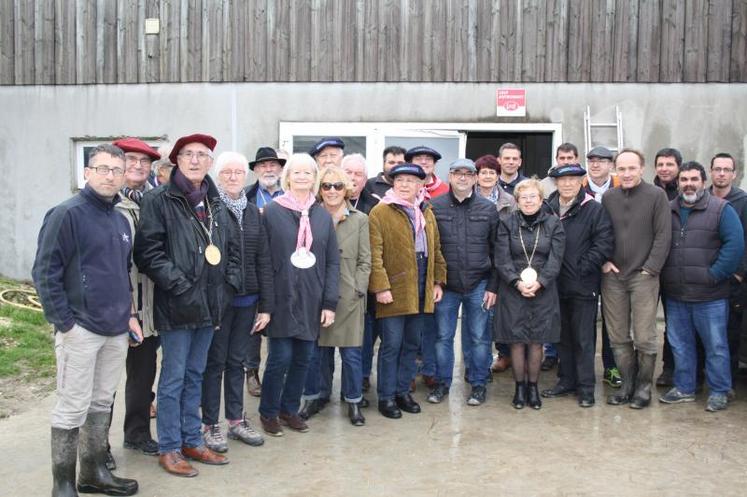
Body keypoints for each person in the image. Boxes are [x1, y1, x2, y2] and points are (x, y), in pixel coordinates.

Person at [33, 143, 140, 496]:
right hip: (80, 329)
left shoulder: (121, 218)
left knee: (101, 403)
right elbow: (45, 271)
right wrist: (64, 322)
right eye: (102, 168)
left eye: (116, 170)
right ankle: (62, 484)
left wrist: (130, 315)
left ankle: (92, 472)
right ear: (87, 172)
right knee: (71, 407)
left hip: (116, 329)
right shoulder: (67, 214)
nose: (110, 176)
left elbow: (123, 272)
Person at [135, 133, 239, 477]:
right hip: (177, 305)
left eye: (202, 155)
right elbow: (149, 252)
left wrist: (226, 288)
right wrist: (180, 285)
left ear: (210, 162)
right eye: (188, 154)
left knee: (196, 375)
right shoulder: (159, 200)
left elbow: (230, 249)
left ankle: (192, 439)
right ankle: (169, 447)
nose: (195, 160)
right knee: (173, 379)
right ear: (176, 161)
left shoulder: (216, 201)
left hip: (210, 306)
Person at [258, 153, 340, 436]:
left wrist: (329, 302)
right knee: (279, 357)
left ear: (314, 178)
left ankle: (289, 409)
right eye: (297, 172)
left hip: (311, 298)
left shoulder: (321, 215)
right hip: (281, 297)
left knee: (304, 358)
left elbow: (332, 261)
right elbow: (264, 260)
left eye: (308, 172)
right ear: (288, 177)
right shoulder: (272, 211)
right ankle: (268, 412)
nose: (303, 177)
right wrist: (265, 303)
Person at [200, 152, 272, 453]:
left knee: (237, 361)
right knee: (214, 362)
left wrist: (266, 306)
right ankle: (209, 424)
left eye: (238, 172)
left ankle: (235, 419)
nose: (232, 177)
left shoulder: (255, 213)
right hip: (220, 300)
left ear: (246, 177)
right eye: (227, 172)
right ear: (218, 176)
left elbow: (264, 260)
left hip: (248, 300)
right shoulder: (210, 210)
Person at [659, 161, 744, 412]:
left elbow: (734, 246)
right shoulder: (668, 209)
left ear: (703, 182)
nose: (688, 184)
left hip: (711, 295)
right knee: (680, 344)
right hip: (676, 294)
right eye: (684, 179)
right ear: (678, 183)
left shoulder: (721, 209)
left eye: (694, 179)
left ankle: (719, 390)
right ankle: (685, 387)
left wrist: (714, 275)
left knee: (716, 345)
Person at [368, 163, 447, 419]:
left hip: (422, 284)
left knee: (412, 344)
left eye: (411, 181)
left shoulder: (427, 210)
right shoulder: (381, 212)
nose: (404, 185)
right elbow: (374, 255)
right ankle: (387, 396)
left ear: (420, 185)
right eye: (400, 180)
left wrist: (437, 282)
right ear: (393, 183)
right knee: (391, 344)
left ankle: (403, 391)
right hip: (394, 287)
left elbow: (435, 250)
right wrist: (380, 287)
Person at [299, 167, 372, 426]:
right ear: (319, 189)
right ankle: (314, 397)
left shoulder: (360, 219)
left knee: (351, 354)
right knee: (316, 353)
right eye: (327, 186)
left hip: (349, 296)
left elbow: (365, 260)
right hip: (316, 295)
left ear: (347, 189)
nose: (332, 191)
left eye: (338, 186)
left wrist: (358, 289)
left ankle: (353, 401)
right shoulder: (309, 216)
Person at [602, 149, 671, 409]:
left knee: (644, 337)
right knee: (618, 337)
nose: (627, 173)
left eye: (632, 168)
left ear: (642, 169)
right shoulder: (609, 197)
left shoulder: (656, 196)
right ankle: (627, 386)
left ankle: (643, 389)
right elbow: (602, 233)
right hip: (613, 277)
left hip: (644, 276)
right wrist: (604, 261)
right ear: (615, 171)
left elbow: (663, 236)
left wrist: (650, 268)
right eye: (622, 169)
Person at [541, 164, 614, 407]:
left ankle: (585, 388)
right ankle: (566, 380)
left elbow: (603, 244)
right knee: (562, 337)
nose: (568, 184)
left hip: (583, 285)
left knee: (584, 338)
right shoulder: (547, 208)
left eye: (573, 179)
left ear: (581, 181)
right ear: (556, 183)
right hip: (553, 286)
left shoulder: (593, 209)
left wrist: (582, 269)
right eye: (563, 180)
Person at [430, 159, 499, 406]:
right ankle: (441, 383)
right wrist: (435, 282)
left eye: (468, 174)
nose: (462, 178)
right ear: (449, 176)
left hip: (479, 283)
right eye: (457, 173)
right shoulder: (434, 207)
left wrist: (493, 286)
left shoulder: (488, 209)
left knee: (480, 337)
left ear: (475, 178)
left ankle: (479, 384)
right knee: (442, 337)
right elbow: (431, 248)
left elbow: (496, 250)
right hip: (446, 285)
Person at [494, 178, 565, 410]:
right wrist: (516, 282)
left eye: (533, 196)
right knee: (516, 341)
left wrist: (541, 282)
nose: (528, 201)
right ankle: (519, 387)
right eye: (523, 197)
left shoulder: (554, 224)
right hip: (513, 290)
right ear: (517, 201)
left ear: (541, 199)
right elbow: (502, 258)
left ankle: (533, 387)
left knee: (536, 341)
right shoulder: (506, 222)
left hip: (543, 290)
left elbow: (556, 259)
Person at [112, 138, 161, 459]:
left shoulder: (154, 202)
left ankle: (137, 433)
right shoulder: (107, 204)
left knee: (143, 376)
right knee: (103, 384)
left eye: (145, 161)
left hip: (149, 306)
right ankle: (96, 445)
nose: (139, 166)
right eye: (132, 159)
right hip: (114, 306)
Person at [581, 145, 622, 388]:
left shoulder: (620, 190)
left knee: (611, 319)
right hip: (584, 265)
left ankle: (611, 366)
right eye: (592, 160)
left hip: (611, 265)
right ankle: (581, 370)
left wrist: (610, 258)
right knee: (584, 321)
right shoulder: (578, 187)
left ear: (610, 165)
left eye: (602, 161)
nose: (595, 165)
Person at [474, 154, 516, 375]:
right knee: (481, 316)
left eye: (492, 172)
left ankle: (503, 354)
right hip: (478, 262)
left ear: (498, 176)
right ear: (477, 176)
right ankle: (478, 360)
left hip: (503, 260)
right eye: (484, 172)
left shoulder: (509, 200)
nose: (488, 176)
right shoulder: (468, 198)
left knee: (501, 313)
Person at [540, 143, 581, 371]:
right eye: (561, 157)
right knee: (553, 316)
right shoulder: (546, 189)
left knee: (575, 323)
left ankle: (571, 363)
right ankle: (552, 354)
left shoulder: (584, 195)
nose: (565, 161)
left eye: (570, 158)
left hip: (577, 271)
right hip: (550, 267)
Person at [709, 153, 747, 374]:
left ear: (734, 174)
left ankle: (728, 381)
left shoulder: (743, 202)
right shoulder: (702, 198)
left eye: (726, 169)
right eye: (717, 169)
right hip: (706, 279)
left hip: (733, 281)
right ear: (711, 172)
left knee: (730, 333)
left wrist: (739, 273)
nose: (721, 173)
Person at [653, 147, 683, 388]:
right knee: (642, 324)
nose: (664, 168)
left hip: (674, 268)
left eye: (669, 164)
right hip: (650, 268)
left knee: (674, 324)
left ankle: (670, 369)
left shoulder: (685, 194)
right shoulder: (648, 192)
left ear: (678, 167)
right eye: (660, 164)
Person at [247, 146, 286, 213]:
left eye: (272, 165)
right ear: (256, 170)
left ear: (280, 169)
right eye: (263, 166)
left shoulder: (290, 192)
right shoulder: (245, 195)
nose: (268, 170)